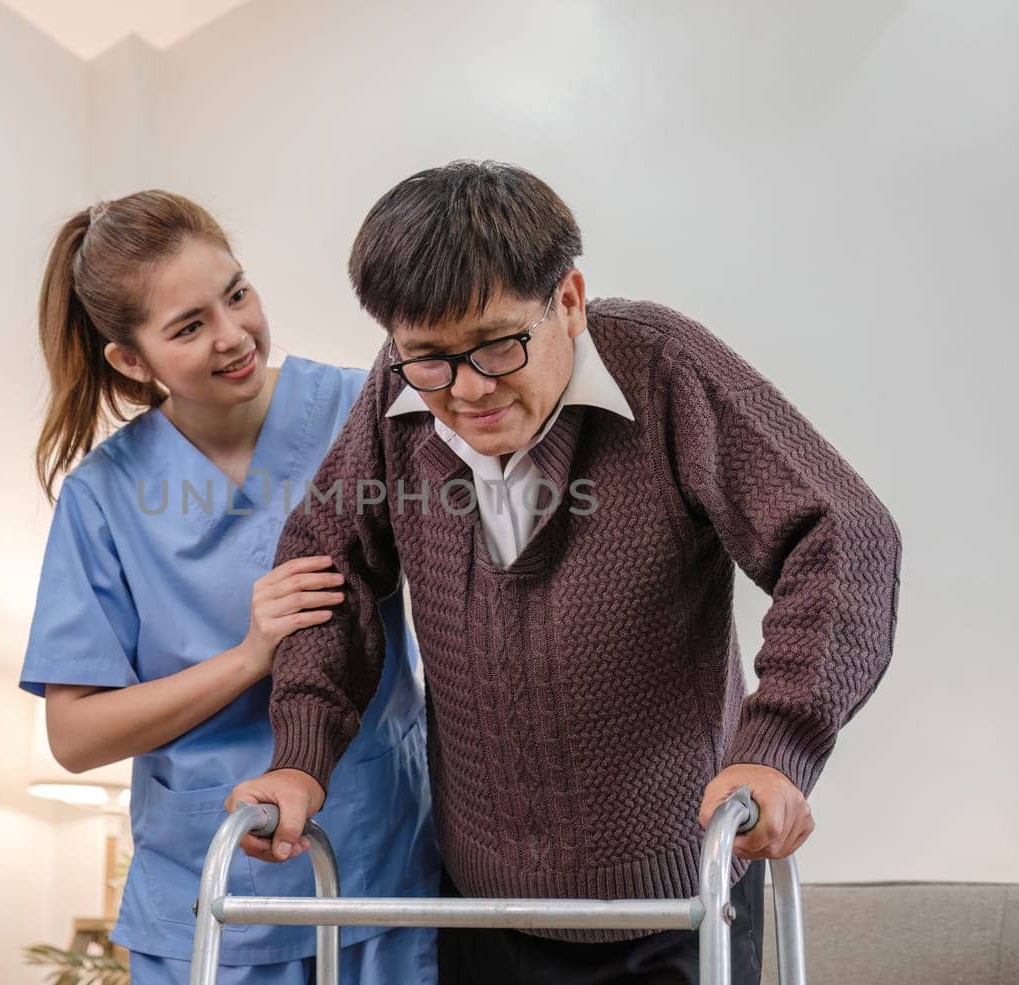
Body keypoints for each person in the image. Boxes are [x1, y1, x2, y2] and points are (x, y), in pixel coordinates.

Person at [227, 161, 902, 985]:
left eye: (500, 345)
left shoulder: (661, 366)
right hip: (484, 905)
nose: (468, 390)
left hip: (678, 902)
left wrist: (778, 743)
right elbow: (325, 565)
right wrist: (303, 754)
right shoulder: (396, 395)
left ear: (570, 301)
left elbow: (843, 534)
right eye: (428, 358)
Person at [19, 191, 439, 985]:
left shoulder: (362, 410)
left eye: (237, 293)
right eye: (188, 326)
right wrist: (250, 657)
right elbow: (75, 736)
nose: (234, 334)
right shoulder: (103, 498)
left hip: (377, 865)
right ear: (131, 361)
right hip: (207, 895)